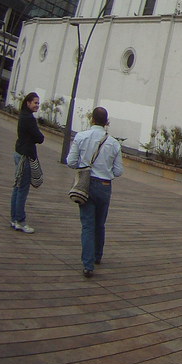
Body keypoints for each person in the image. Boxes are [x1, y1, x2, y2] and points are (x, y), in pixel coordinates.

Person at [67, 106, 123, 277]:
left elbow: (70, 161)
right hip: (105, 185)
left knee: (87, 225)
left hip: (86, 183)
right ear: (106, 122)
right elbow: (118, 171)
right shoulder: (113, 143)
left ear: (92, 119)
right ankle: (98, 255)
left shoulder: (81, 136)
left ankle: (88, 264)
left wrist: (84, 167)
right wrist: (106, 173)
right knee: (100, 223)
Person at [11, 92, 44, 234]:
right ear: (28, 103)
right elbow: (39, 137)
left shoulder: (23, 116)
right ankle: (20, 220)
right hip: (26, 156)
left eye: (38, 103)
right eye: (35, 102)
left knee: (17, 187)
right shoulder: (29, 119)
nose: (37, 105)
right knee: (22, 188)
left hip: (19, 152)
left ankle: (14, 218)